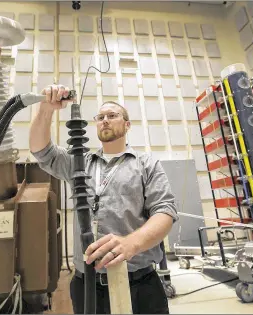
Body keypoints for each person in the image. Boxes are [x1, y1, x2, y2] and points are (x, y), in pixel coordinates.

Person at [29, 84, 178, 314]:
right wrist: (45, 109)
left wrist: (131, 244)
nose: (105, 120)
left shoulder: (146, 164)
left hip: (139, 284)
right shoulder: (79, 162)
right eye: (100, 117)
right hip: (86, 283)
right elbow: (41, 151)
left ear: (127, 125)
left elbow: (165, 212)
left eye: (112, 115)